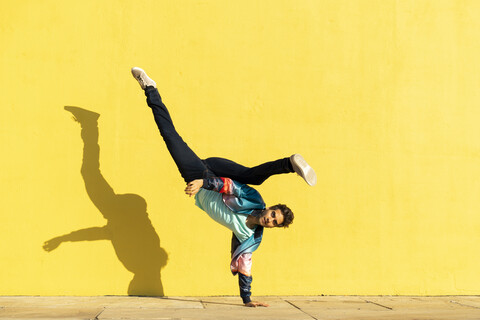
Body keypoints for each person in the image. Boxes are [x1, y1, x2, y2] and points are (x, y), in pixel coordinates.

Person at [131, 67, 316, 307]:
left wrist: (247, 299)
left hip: (203, 181)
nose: (269, 220)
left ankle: (150, 89)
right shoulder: (255, 199)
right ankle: (289, 164)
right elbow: (228, 185)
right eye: (273, 214)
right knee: (251, 177)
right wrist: (202, 182)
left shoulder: (250, 238)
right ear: (270, 208)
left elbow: (245, 266)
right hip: (211, 176)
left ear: (274, 227)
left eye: (274, 222)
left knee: (170, 138)